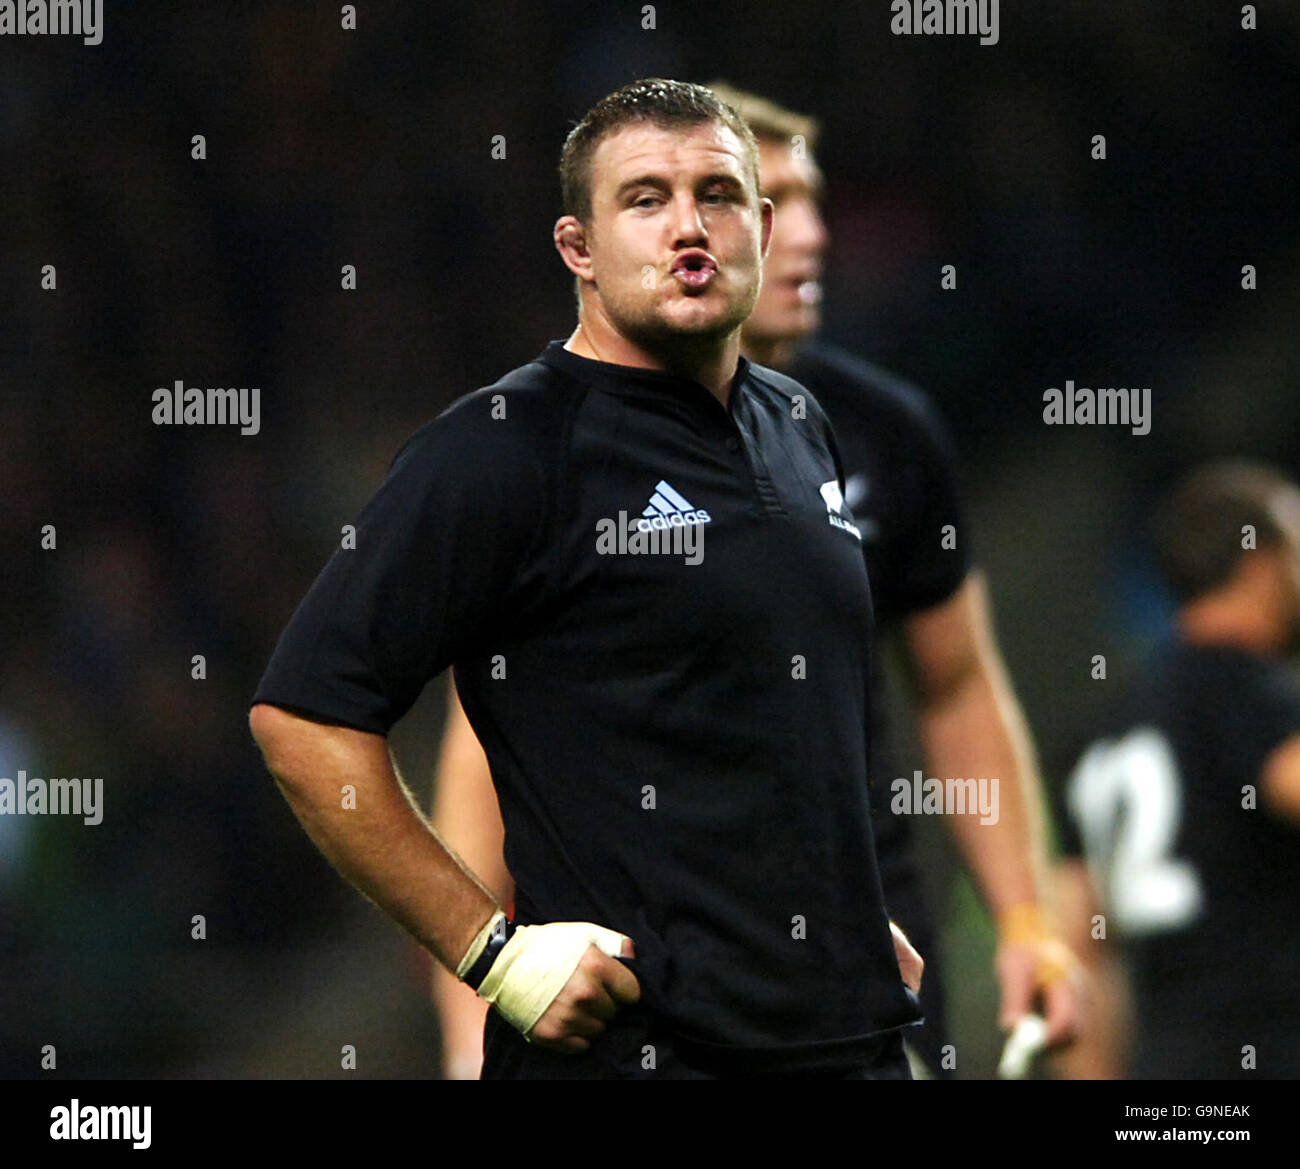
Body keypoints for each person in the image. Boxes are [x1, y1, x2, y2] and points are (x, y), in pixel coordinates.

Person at [249, 77, 926, 1080]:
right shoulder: (501, 450)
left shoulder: (800, 424)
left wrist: (839, 920)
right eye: (646, 199)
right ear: (578, 248)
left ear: (764, 224)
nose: (689, 227)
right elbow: (303, 720)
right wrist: (491, 952)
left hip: (843, 1039)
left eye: (720, 194)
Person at [431, 82, 1083, 1080]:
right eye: (773, 197)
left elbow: (955, 684)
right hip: (654, 990)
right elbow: (486, 740)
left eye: (805, 202)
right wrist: (474, 982)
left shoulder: (881, 430)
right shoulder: (553, 445)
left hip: (864, 949)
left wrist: (1024, 919)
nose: (812, 237)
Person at [1055, 460, 1300, 1079]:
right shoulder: (1248, 691)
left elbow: (1077, 948)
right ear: (1261, 563)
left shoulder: (1099, 730)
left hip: (1167, 1070)